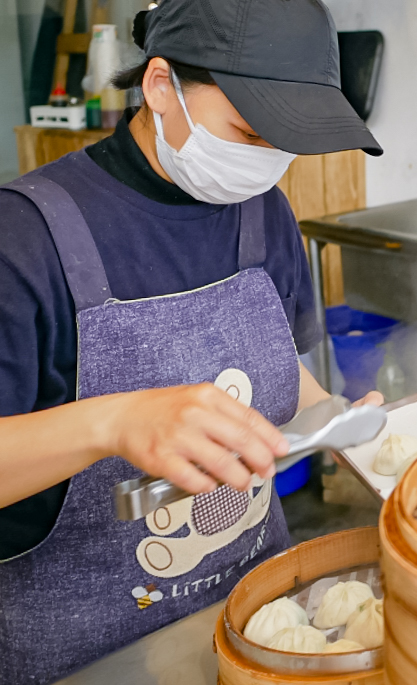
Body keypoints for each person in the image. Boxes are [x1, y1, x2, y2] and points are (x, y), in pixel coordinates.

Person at [0, 1, 383, 681]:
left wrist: (358, 432)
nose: (265, 159)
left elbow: (277, 375)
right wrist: (114, 421)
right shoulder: (26, 239)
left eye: (284, 139)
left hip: (261, 632)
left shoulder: (265, 211)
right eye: (246, 129)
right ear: (158, 88)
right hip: (88, 661)